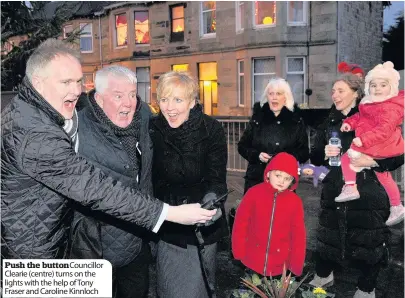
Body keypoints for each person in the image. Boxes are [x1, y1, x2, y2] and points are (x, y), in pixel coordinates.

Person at [1, 39, 216, 260]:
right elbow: (92, 186)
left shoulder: (32, 111)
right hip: (30, 256)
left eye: (78, 81)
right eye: (66, 82)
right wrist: (170, 213)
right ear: (38, 82)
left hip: (42, 241)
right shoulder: (35, 133)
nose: (76, 91)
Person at [308, 73, 404, 298]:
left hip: (368, 190)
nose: (335, 95)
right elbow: (314, 157)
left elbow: (398, 155)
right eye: (333, 91)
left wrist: (371, 161)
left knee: (370, 240)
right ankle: (324, 274)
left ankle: (366, 287)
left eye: (340, 90)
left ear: (356, 93)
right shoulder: (329, 122)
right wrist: (323, 153)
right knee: (329, 234)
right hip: (335, 187)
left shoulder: (374, 114)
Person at [69, 66, 155, 298]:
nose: (128, 103)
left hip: (137, 242)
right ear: (99, 98)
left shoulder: (146, 118)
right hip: (94, 245)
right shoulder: (76, 129)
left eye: (132, 94)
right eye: (118, 96)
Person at [149, 71, 228, 298]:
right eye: (164, 100)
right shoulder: (153, 128)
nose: (169, 108)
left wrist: (210, 203)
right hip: (168, 222)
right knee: (169, 287)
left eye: (178, 100)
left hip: (201, 224)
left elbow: (217, 177)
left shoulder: (211, 129)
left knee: (197, 289)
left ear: (193, 102)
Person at [335, 61, 404, 226]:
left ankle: (351, 187)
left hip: (382, 146)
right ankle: (396, 205)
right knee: (384, 176)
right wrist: (349, 123)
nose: (378, 89)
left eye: (383, 85)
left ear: (392, 87)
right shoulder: (369, 104)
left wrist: (363, 140)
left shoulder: (390, 107)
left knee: (348, 159)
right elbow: (360, 117)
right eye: (373, 85)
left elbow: (384, 130)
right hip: (375, 145)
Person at [232, 152, 306, 277]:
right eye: (278, 175)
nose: (281, 181)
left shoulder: (295, 202)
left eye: (287, 178)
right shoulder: (254, 193)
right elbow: (241, 223)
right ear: (268, 173)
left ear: (293, 181)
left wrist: (296, 265)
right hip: (251, 260)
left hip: (279, 264)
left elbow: (298, 234)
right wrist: (238, 251)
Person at [238, 77, 309, 194]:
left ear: (286, 97)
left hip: (284, 184)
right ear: (267, 97)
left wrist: (284, 159)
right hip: (256, 181)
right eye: (271, 94)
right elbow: (242, 146)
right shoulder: (257, 119)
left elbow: (304, 152)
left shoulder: (295, 122)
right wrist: (257, 155)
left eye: (278, 94)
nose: (274, 97)